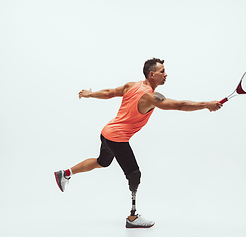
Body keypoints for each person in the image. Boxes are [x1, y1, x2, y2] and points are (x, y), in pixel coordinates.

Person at [54, 58, 222, 228]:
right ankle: (132, 218)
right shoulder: (151, 97)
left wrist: (90, 94)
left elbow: (108, 92)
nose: (166, 74)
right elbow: (179, 105)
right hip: (117, 138)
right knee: (134, 174)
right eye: (162, 71)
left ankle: (66, 173)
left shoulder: (131, 85)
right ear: (152, 74)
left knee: (101, 162)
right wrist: (205, 104)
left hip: (106, 133)